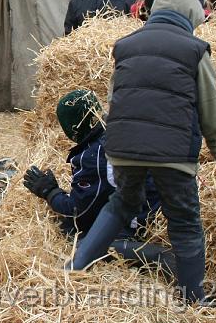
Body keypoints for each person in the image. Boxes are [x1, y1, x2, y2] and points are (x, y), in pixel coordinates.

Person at [65, 0, 216, 305]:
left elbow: (115, 100)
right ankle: (194, 300)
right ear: (189, 12)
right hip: (172, 153)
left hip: (122, 149)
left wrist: (119, 145)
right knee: (184, 220)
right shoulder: (194, 50)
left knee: (122, 203)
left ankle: (76, 267)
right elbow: (213, 114)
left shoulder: (125, 45)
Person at [23, 90, 174, 274]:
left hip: (140, 223)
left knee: (76, 240)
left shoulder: (93, 156)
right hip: (159, 211)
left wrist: (49, 192)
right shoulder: (118, 130)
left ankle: (157, 255)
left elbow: (78, 212)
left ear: (72, 129)